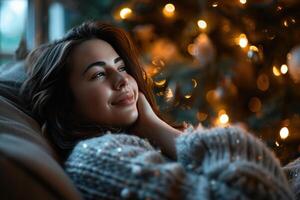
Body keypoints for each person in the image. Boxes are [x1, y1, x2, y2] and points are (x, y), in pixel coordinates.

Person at [21, 21, 295, 200]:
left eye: (121, 67)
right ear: (66, 105)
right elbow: (262, 192)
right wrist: (158, 129)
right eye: (97, 75)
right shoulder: (95, 157)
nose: (122, 81)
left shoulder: (134, 144)